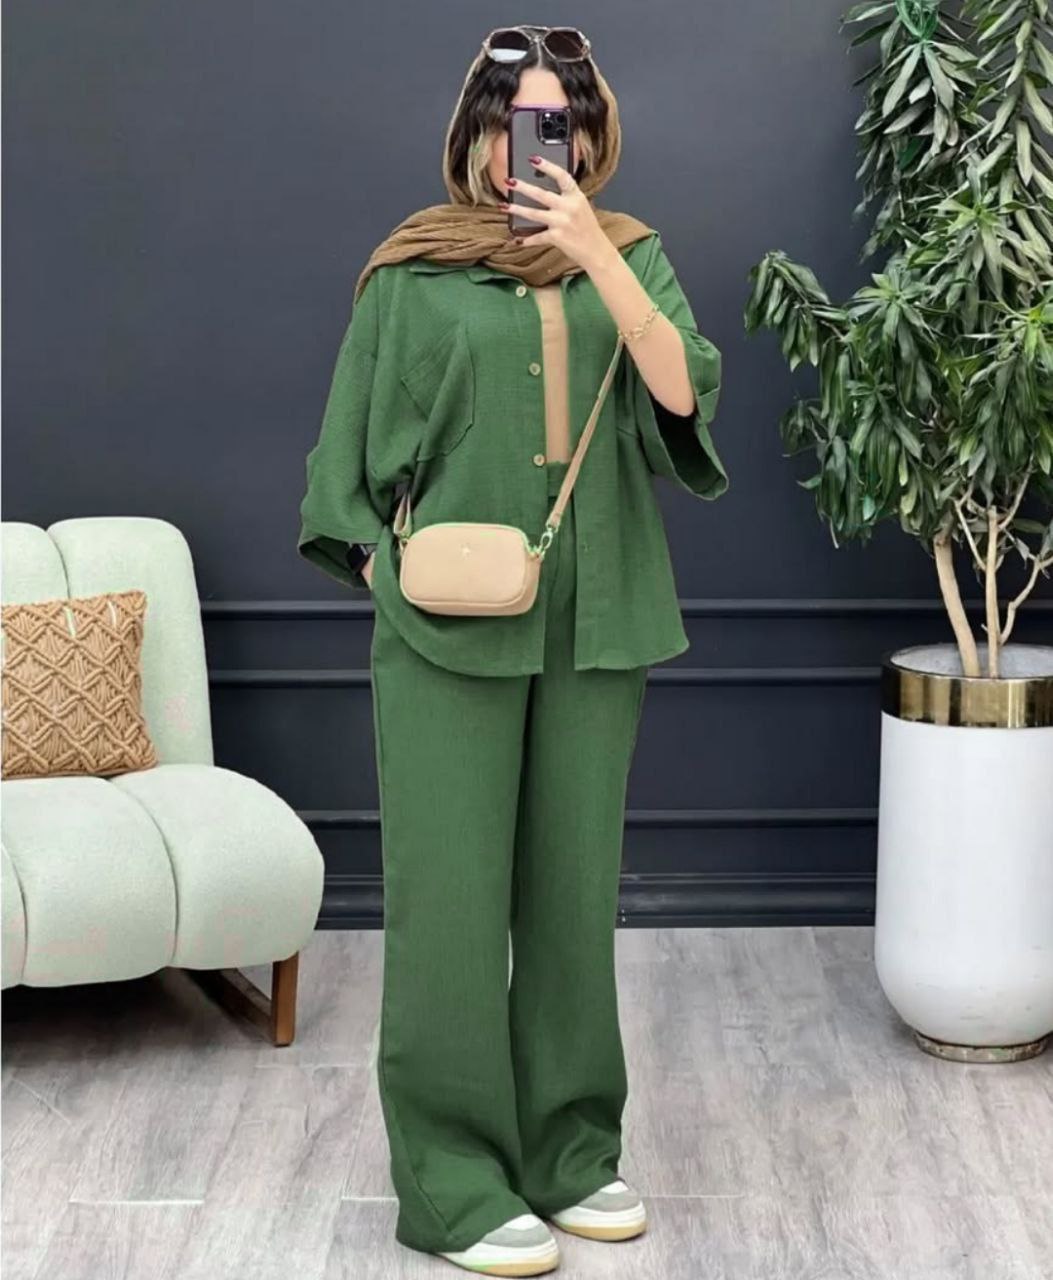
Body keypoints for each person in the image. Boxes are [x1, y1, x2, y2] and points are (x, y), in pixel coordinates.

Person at [297, 24, 729, 1277]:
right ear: (475, 131)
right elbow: (345, 458)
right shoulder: (413, 269)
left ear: (589, 138)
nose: (530, 143)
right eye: (510, 119)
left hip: (598, 620)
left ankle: (570, 1150)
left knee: (571, 899)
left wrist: (595, 255)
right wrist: (387, 574)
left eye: (556, 121)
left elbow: (683, 392)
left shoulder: (631, 256)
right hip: (444, 628)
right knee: (447, 902)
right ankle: (450, 1177)